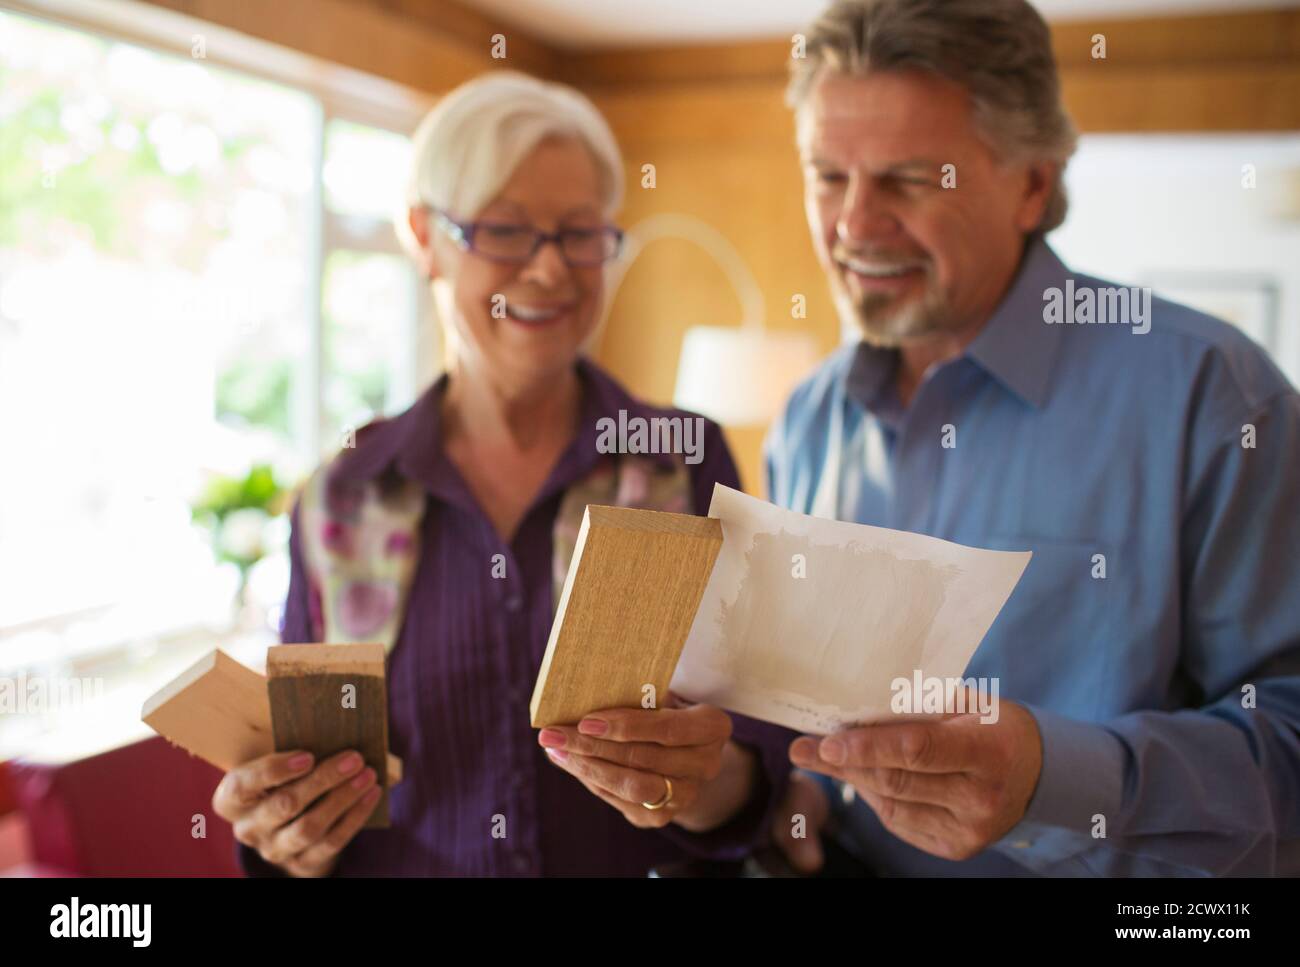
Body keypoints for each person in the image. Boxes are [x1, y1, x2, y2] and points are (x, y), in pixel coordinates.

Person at [768, 0, 1300, 876]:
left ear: (1033, 185)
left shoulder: (1215, 395)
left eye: (907, 179)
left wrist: (1053, 779)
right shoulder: (807, 419)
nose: (854, 226)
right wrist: (765, 793)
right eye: (828, 176)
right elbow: (817, 740)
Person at [212, 71, 790, 876]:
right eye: (507, 231)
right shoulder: (345, 494)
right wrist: (285, 837)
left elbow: (763, 763)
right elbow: (314, 773)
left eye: (581, 232)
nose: (551, 270)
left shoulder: (683, 458)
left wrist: (704, 783)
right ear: (422, 237)